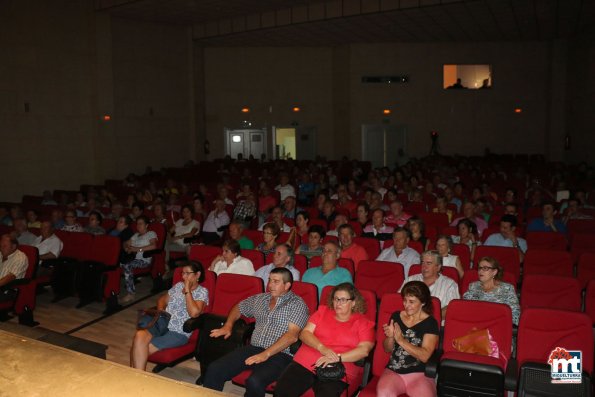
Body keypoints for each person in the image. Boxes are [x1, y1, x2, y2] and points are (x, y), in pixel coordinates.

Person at [203, 268, 310, 397]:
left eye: (276, 281)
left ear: (287, 285)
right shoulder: (261, 299)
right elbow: (239, 307)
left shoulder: (297, 304)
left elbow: (292, 336)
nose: (270, 285)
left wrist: (265, 354)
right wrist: (228, 325)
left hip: (280, 354)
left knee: (254, 381)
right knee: (215, 369)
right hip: (254, 348)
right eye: (270, 280)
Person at [274, 283, 375, 397]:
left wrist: (337, 358)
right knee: (281, 393)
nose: (338, 303)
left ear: (353, 302)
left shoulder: (363, 323)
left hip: (338, 368)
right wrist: (322, 347)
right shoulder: (322, 312)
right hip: (306, 361)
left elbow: (364, 350)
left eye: (343, 300)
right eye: (335, 299)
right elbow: (305, 333)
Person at [130, 261, 209, 370]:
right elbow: (162, 299)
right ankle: (136, 376)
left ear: (198, 275)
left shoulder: (202, 292)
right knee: (139, 336)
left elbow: (194, 313)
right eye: (182, 273)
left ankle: (136, 377)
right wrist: (161, 310)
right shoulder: (178, 286)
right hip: (162, 324)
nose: (183, 276)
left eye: (187, 273)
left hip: (178, 332)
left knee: (140, 349)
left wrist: (187, 291)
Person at [376, 280, 439, 397]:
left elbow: (425, 356)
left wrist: (401, 340)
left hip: (419, 374)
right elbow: (387, 349)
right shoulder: (396, 316)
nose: (406, 305)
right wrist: (390, 337)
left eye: (412, 302)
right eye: (404, 300)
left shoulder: (430, 323)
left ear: (423, 302)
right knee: (383, 393)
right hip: (394, 371)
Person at [401, 250, 459, 320]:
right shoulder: (410, 280)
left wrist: (427, 320)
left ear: (438, 267)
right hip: (409, 322)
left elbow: (452, 309)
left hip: (436, 326)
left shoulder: (450, 285)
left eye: (429, 263)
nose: (424, 267)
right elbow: (398, 300)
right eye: (422, 263)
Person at [463, 257, 520, 325]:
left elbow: (515, 316)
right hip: (474, 325)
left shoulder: (507, 288)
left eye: (485, 268)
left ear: (494, 272)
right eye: (479, 268)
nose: (480, 271)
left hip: (497, 325)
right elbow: (464, 308)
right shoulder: (473, 286)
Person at [120, 216, 158, 303]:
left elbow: (153, 246)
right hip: (133, 258)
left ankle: (131, 294)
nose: (138, 225)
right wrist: (127, 248)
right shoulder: (136, 235)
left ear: (146, 225)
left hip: (143, 260)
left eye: (141, 224)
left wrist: (137, 249)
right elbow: (125, 243)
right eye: (137, 224)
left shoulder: (151, 233)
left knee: (127, 265)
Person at [0, 234, 28, 302]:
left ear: (13, 246)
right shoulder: (0, 253)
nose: (1, 248)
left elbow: (9, 277)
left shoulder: (20, 258)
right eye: (0, 246)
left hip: (7, 290)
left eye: (4, 246)